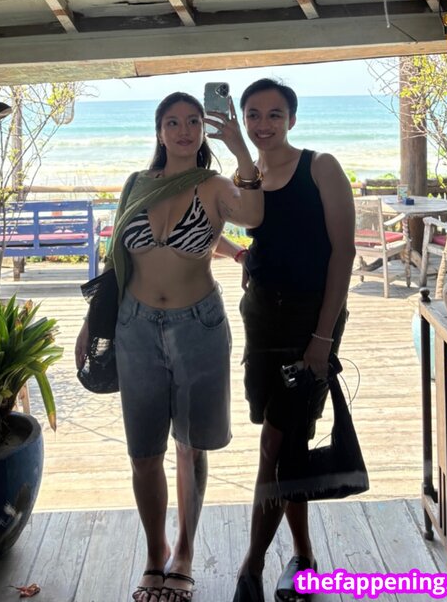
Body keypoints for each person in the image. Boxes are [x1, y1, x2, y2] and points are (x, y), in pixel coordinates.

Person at [75, 91, 263, 602]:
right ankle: (154, 553)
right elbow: (117, 257)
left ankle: (184, 552)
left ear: (203, 130)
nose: (183, 130)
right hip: (135, 326)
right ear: (159, 131)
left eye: (193, 121)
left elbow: (252, 216)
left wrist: (240, 148)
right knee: (143, 452)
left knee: (189, 447)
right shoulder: (137, 184)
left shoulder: (215, 184)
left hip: (197, 326)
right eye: (173, 122)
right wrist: (92, 323)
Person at [231, 78, 356, 602]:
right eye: (254, 115)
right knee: (289, 442)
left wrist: (323, 337)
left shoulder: (320, 167)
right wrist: (242, 255)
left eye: (274, 114)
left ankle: (252, 568)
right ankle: (304, 556)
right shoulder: (248, 176)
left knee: (275, 444)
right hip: (261, 320)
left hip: (310, 320)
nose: (263, 125)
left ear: (292, 120)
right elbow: (229, 223)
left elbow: (343, 253)